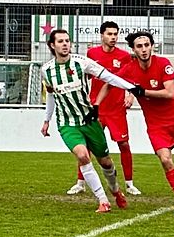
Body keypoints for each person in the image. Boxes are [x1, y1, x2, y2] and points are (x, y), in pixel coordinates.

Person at [40, 29, 142, 213]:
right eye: (61, 41)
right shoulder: (46, 70)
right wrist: (47, 120)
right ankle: (102, 200)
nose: (65, 44)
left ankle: (116, 191)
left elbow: (108, 77)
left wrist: (131, 88)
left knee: (106, 163)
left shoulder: (82, 62)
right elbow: (50, 95)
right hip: (67, 123)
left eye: (67, 40)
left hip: (89, 119)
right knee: (82, 155)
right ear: (52, 45)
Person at [107, 31, 174, 216]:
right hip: (156, 125)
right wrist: (97, 104)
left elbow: (169, 93)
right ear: (133, 49)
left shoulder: (163, 64)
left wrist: (140, 92)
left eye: (147, 45)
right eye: (139, 46)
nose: (144, 49)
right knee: (165, 160)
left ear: (152, 46)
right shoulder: (130, 69)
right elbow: (110, 80)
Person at [67, 21, 141, 197]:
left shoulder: (124, 56)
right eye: (110, 34)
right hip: (96, 108)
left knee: (124, 144)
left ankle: (130, 184)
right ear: (102, 35)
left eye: (115, 34)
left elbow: (130, 79)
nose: (113, 37)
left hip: (116, 108)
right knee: (88, 146)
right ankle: (80, 183)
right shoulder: (92, 53)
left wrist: (130, 96)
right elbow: (86, 76)